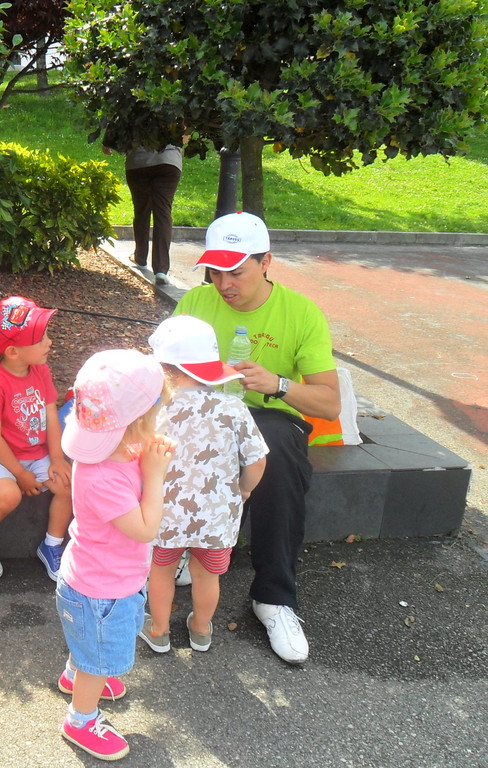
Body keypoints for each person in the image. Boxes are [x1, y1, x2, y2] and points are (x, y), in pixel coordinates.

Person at [175, 211, 340, 665]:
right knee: (174, 434)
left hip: (271, 417)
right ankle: (185, 547)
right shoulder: (194, 303)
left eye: (236, 271)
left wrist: (278, 384)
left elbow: (329, 404)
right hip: (205, 410)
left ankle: (273, 597)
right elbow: (164, 373)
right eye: (215, 271)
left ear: (266, 262)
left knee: (273, 446)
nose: (224, 284)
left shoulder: (301, 312)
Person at [55, 349, 175, 761]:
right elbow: (145, 528)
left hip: (93, 580)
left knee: (89, 643)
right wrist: (155, 476)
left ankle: (74, 674)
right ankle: (81, 719)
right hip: (102, 592)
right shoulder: (103, 477)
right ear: (138, 423)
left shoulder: (111, 452)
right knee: (98, 658)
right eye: (154, 416)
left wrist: (145, 457)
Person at [139, 315, 269, 654]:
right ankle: (200, 630)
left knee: (161, 570)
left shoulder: (155, 410)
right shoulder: (233, 407)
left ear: (165, 369)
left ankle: (159, 630)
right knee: (207, 575)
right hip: (216, 517)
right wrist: (244, 489)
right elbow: (257, 461)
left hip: (164, 512)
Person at [0, 296, 73, 581]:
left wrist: (57, 458)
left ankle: (52, 545)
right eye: (40, 339)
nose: (49, 342)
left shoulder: (40, 370)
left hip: (35, 452)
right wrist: (20, 474)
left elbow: (50, 414)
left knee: (67, 485)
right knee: (9, 496)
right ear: (12, 351)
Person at [102, 143, 183, 286]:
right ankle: (161, 269)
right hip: (169, 161)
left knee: (141, 211)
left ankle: (140, 257)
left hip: (138, 162)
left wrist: (108, 144)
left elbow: (118, 134)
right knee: (163, 212)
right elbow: (185, 136)